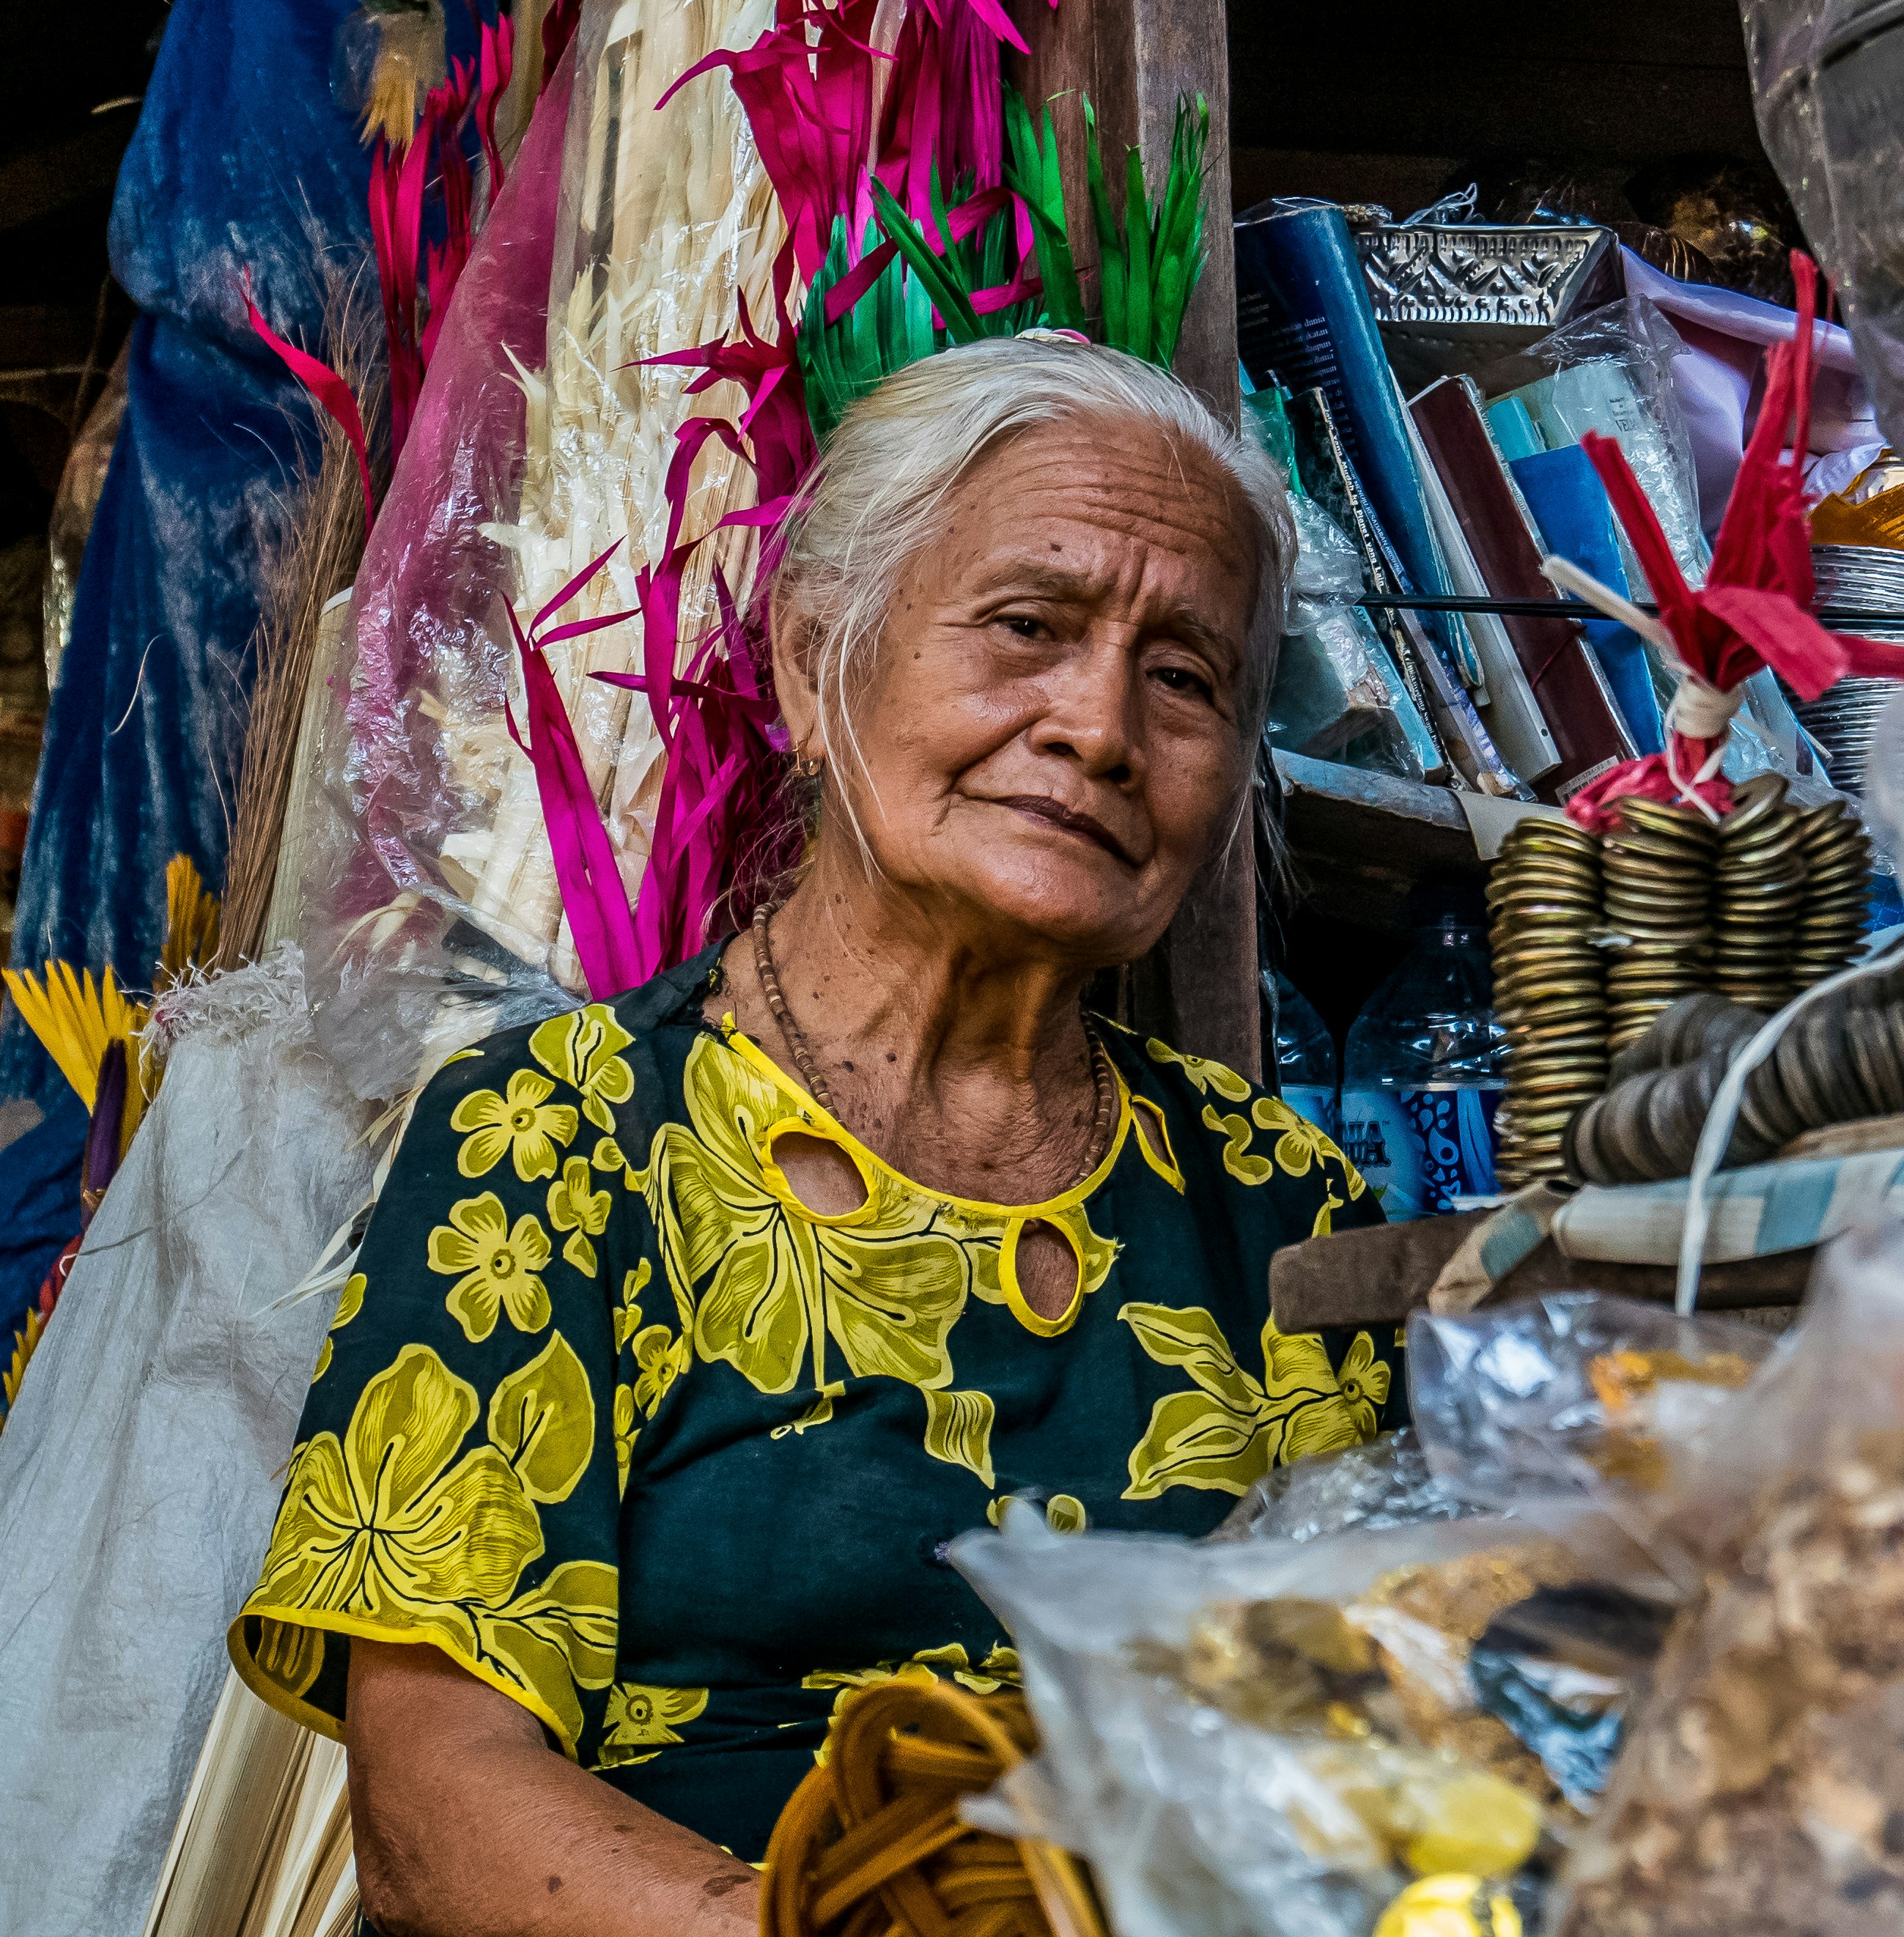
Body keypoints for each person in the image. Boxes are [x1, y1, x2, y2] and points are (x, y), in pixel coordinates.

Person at [229, 334, 1395, 1934]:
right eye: (1027, 627)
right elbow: (435, 1806)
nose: (1100, 725)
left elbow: (1372, 1752)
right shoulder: (562, 1140)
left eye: (1186, 676)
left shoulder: (1283, 1207)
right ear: (811, 662)